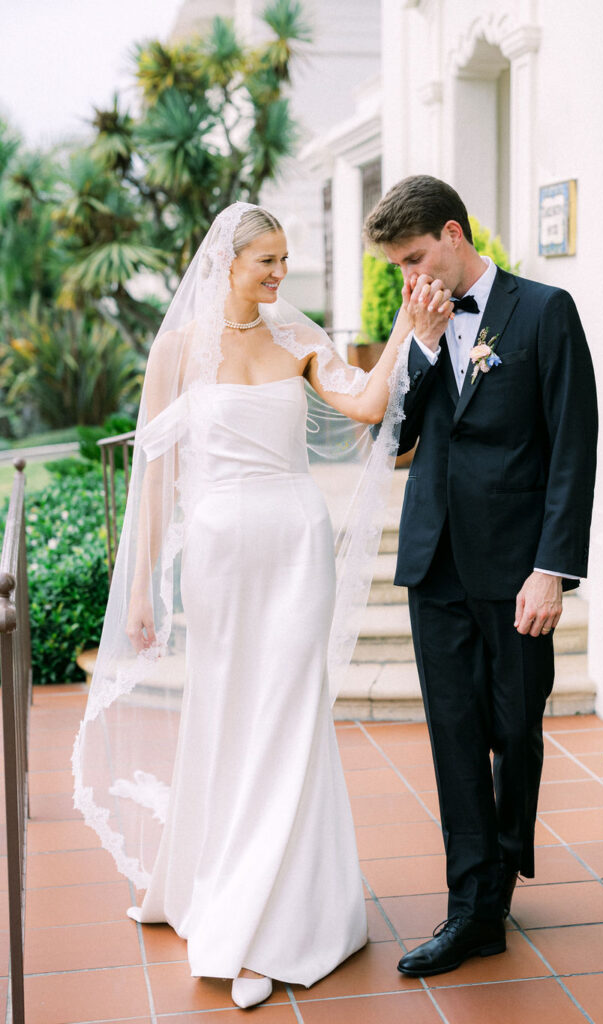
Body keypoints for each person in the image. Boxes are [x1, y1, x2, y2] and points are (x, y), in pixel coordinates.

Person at [72, 203, 431, 1008]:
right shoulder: (177, 349)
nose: (278, 274)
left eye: (284, 259)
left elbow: (368, 404)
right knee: (229, 714)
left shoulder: (299, 341)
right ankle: (206, 878)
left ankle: (264, 925)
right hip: (219, 556)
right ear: (225, 263)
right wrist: (140, 592)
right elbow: (155, 473)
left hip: (294, 545)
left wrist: (407, 326)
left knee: (287, 715)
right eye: (266, 260)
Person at [364, 175, 598, 977]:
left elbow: (572, 446)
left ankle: (499, 869)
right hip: (436, 564)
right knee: (454, 738)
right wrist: (421, 345)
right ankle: (474, 908)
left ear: (456, 235)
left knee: (515, 731)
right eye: (397, 266)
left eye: (416, 258)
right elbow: (388, 441)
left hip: (515, 570)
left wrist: (552, 570)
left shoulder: (545, 311)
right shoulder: (417, 325)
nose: (409, 280)